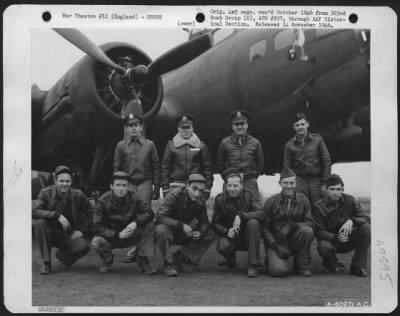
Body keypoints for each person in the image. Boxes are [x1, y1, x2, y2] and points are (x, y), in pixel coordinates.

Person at [113, 112, 161, 263]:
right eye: (130, 126)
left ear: (141, 128)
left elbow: (156, 166)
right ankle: (132, 247)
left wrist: (157, 186)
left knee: (145, 214)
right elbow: (117, 167)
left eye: (136, 125)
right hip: (128, 183)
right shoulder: (121, 146)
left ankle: (141, 253)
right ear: (126, 129)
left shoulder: (150, 145)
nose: (134, 129)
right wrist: (118, 186)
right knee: (130, 214)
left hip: (145, 181)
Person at [91, 172, 157, 274]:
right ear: (111, 186)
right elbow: (97, 226)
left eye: (124, 185)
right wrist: (117, 234)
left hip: (130, 234)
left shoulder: (134, 197)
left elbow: (149, 213)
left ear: (128, 187)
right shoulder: (102, 201)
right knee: (96, 242)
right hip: (112, 237)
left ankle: (143, 260)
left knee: (150, 226)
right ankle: (107, 260)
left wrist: (135, 222)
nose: (121, 189)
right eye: (118, 185)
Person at [32, 165, 92, 275]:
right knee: (40, 223)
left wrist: (81, 230)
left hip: (68, 233)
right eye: (61, 181)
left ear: (71, 181)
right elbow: (34, 211)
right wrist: (56, 215)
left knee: (83, 247)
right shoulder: (45, 193)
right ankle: (46, 263)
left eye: (67, 181)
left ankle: (64, 257)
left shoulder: (78, 195)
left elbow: (92, 213)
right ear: (55, 180)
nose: (64, 184)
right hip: (49, 232)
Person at [155, 174, 215, 276]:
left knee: (210, 233)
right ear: (187, 186)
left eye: (201, 191)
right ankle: (168, 264)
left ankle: (180, 258)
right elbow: (160, 217)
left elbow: (204, 222)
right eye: (194, 189)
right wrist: (181, 225)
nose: (197, 194)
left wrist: (200, 232)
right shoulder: (174, 195)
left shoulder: (200, 200)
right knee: (161, 230)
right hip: (170, 229)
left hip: (185, 232)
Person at [313, 174, 371, 277]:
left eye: (338, 189)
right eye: (332, 189)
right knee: (323, 246)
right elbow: (318, 231)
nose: (335, 192)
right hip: (331, 242)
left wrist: (352, 221)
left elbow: (366, 218)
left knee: (366, 228)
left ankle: (357, 266)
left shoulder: (351, 200)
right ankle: (330, 262)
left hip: (349, 238)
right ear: (326, 190)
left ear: (342, 189)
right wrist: (336, 237)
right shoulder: (318, 206)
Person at [212, 168, 264, 277]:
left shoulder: (250, 196)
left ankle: (252, 265)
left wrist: (242, 216)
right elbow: (215, 223)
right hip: (231, 236)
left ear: (241, 186)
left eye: (235, 185)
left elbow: (261, 213)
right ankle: (230, 257)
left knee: (253, 223)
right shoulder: (219, 199)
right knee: (223, 246)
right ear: (226, 186)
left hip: (248, 236)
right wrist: (226, 231)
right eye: (229, 185)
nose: (232, 189)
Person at [262, 168, 315, 277]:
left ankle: (301, 265)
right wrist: (276, 246)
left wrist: (292, 225)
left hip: (295, 238)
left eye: (291, 183)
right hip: (277, 241)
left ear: (296, 183)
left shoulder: (304, 200)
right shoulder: (271, 202)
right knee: (279, 271)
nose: (289, 186)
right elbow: (265, 228)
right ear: (280, 183)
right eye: (285, 183)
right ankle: (270, 260)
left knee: (307, 231)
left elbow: (311, 223)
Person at [283, 112, 332, 208]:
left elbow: (326, 160)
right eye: (297, 125)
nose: (300, 127)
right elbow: (287, 168)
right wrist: (291, 185)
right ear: (294, 127)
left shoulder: (318, 140)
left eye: (302, 124)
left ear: (307, 124)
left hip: (316, 180)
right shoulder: (289, 145)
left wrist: (325, 182)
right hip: (300, 180)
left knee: (319, 207)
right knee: (300, 207)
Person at [161, 114, 213, 199]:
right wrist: (165, 188)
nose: (185, 130)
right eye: (183, 128)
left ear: (192, 128)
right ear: (178, 129)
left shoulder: (201, 146)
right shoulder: (171, 146)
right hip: (176, 185)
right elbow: (165, 168)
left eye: (188, 127)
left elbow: (207, 169)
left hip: (196, 185)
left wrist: (207, 188)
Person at [217, 110, 264, 199]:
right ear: (232, 126)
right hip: (231, 181)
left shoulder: (255, 143)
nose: (239, 127)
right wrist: (227, 177)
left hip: (249, 180)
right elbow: (220, 163)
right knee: (227, 207)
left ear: (246, 125)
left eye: (242, 124)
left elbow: (260, 163)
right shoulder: (225, 143)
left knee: (253, 207)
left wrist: (252, 176)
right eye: (236, 124)